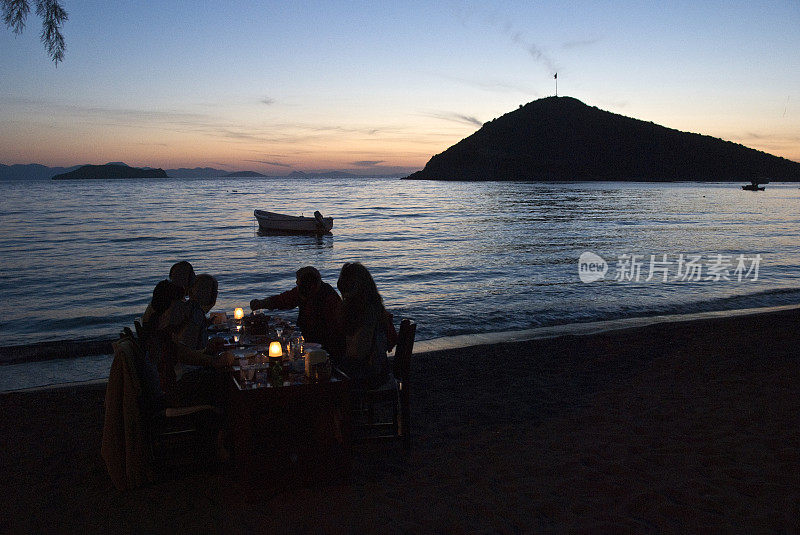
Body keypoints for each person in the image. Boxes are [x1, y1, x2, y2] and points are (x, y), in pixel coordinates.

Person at [250, 266, 345, 359]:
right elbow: (283, 300)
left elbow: (335, 329)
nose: (297, 284)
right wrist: (262, 303)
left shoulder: (329, 298)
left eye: (298, 282)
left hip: (327, 346)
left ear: (311, 285)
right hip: (309, 340)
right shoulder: (303, 290)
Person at [336, 262, 390, 389]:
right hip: (377, 369)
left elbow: (358, 354)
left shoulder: (367, 313)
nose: (343, 297)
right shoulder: (374, 306)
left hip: (370, 374)